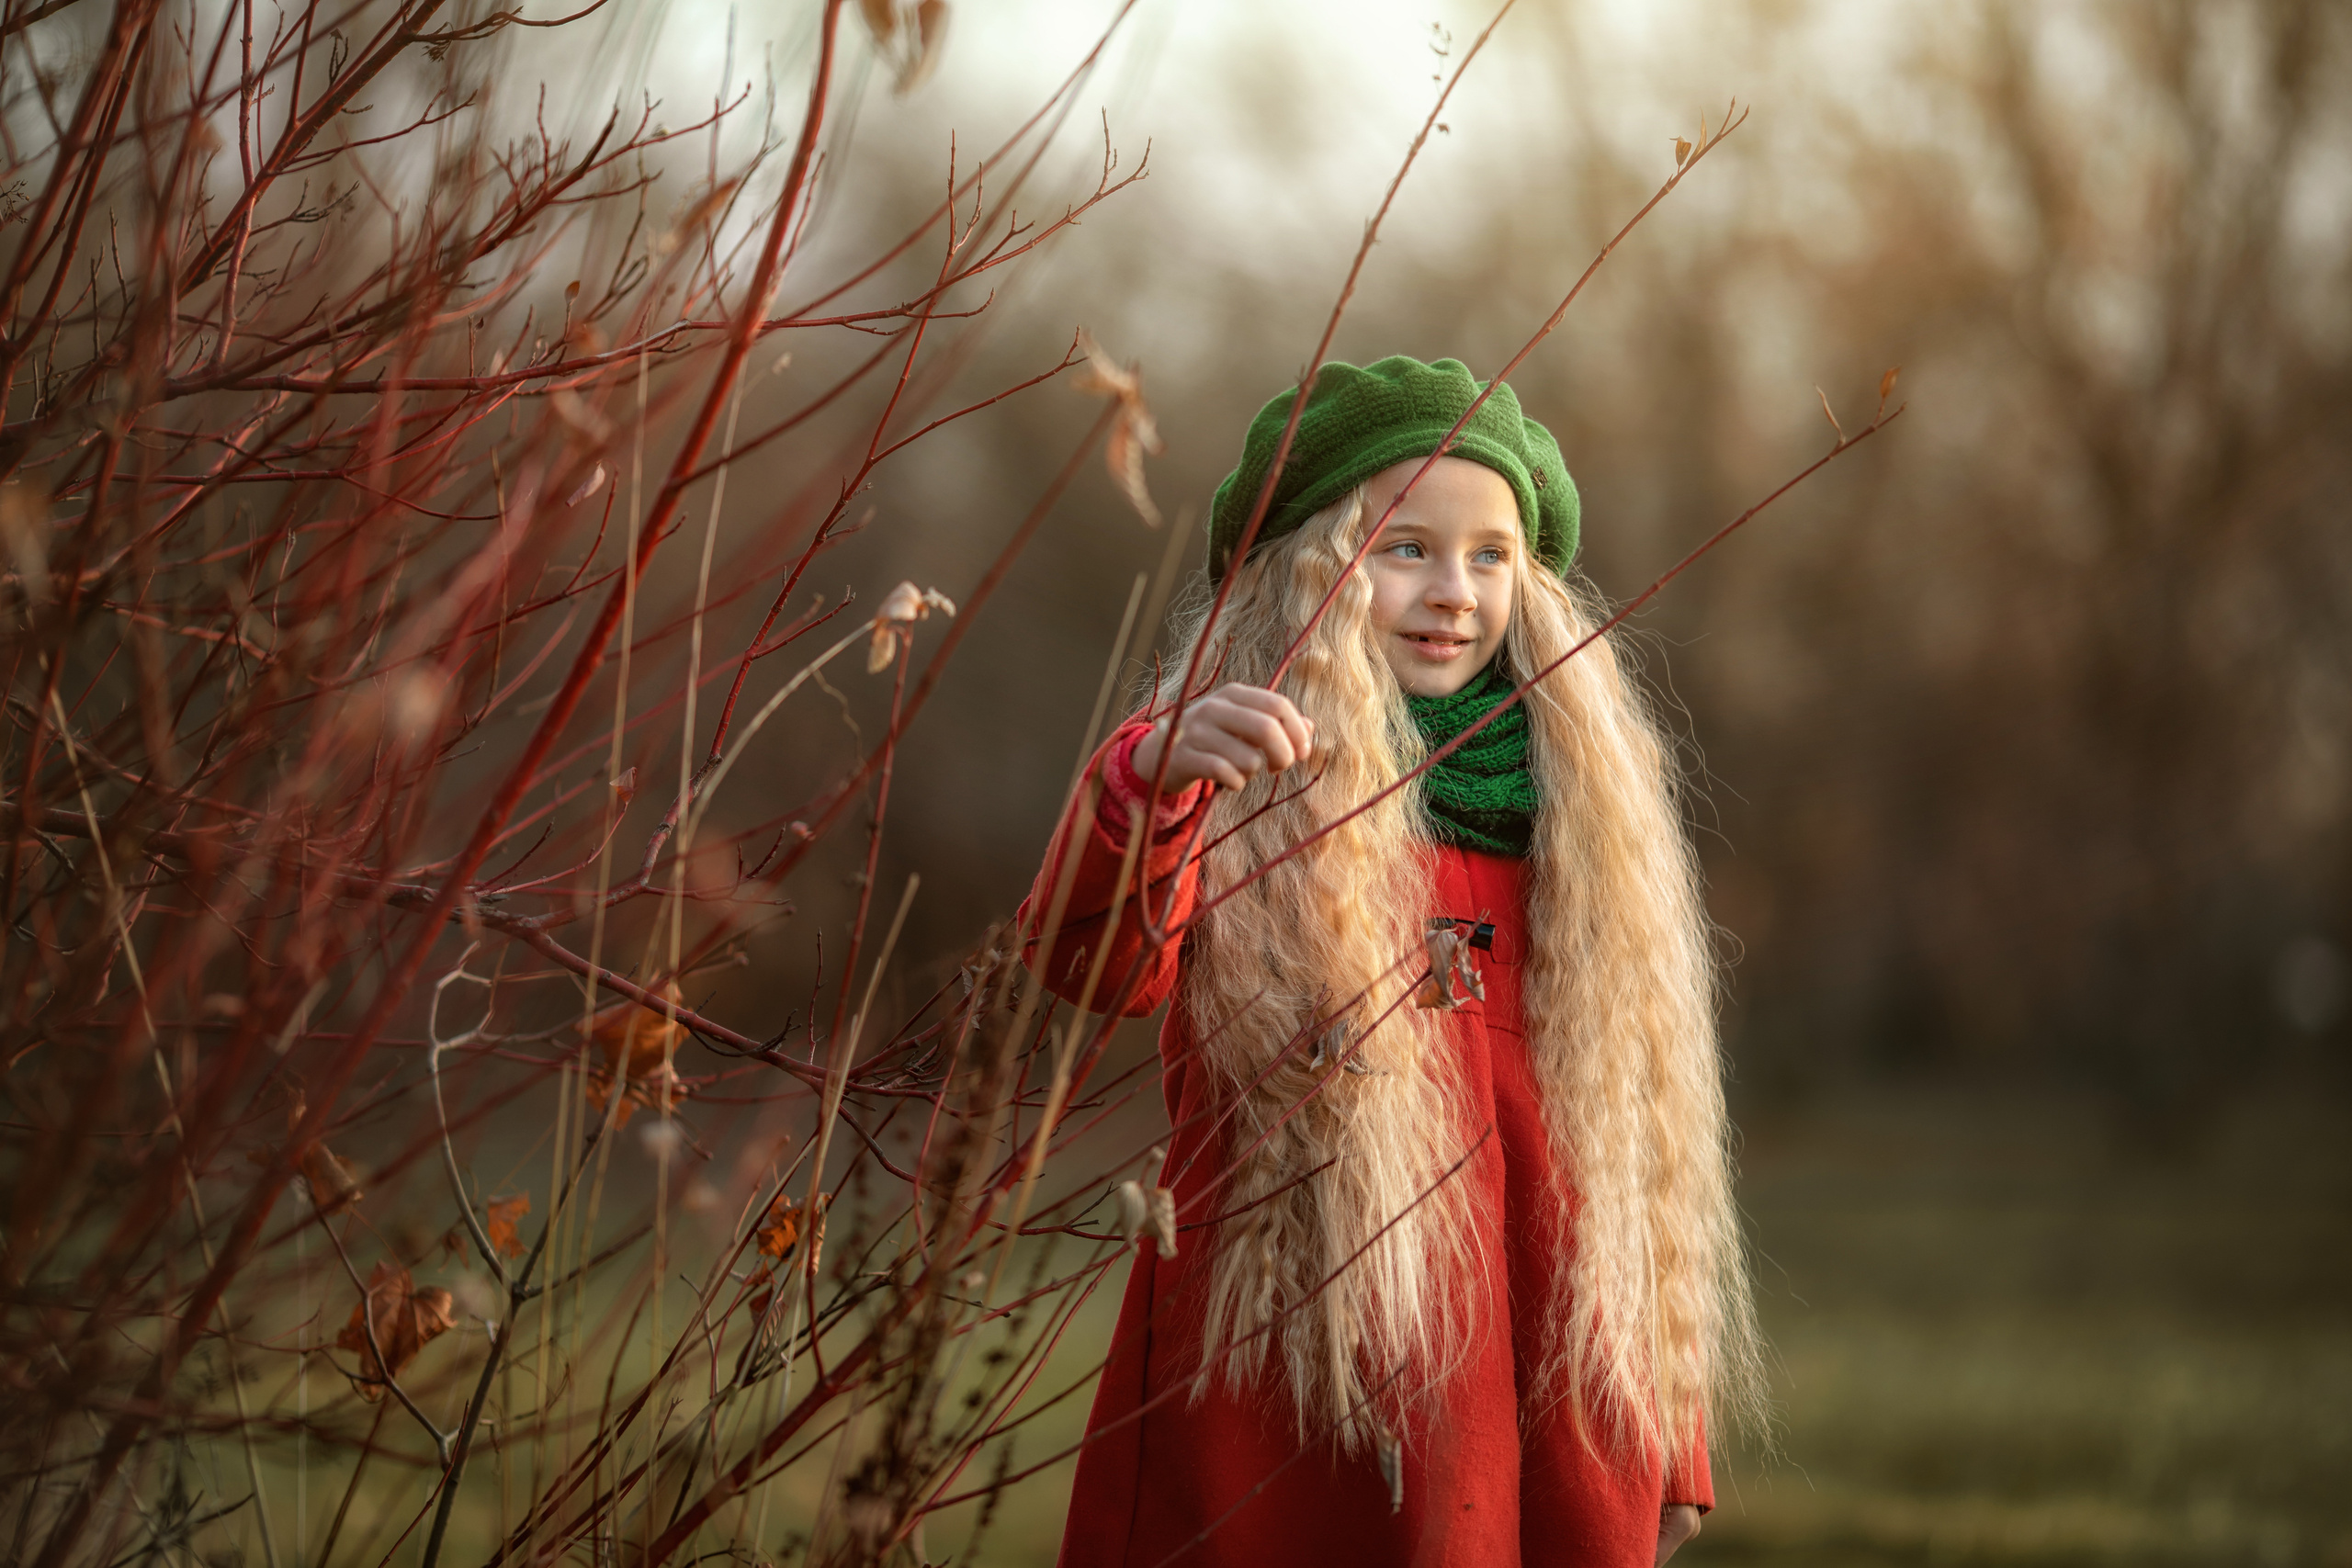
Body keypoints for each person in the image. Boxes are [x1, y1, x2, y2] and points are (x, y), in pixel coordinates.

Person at [1022, 357, 1758, 1568]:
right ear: (1311, 568)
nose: (1453, 591)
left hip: (1543, 1379)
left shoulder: (1585, 821)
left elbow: (1638, 1158)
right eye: (1404, 548)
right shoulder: (1240, 772)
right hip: (1288, 1378)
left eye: (1489, 555)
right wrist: (1149, 785)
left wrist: (1669, 1435)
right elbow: (1095, 967)